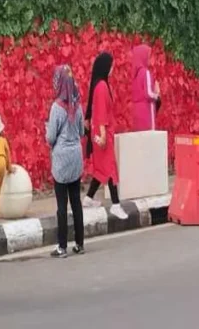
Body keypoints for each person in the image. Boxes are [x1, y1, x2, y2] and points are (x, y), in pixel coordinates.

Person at [46, 65, 86, 257]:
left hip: (61, 160)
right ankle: (80, 243)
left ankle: (62, 247)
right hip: (76, 157)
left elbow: (50, 136)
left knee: (62, 205)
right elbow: (82, 131)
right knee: (76, 201)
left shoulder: (56, 108)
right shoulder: (78, 105)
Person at [83, 52, 128, 220]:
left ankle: (88, 198)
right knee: (110, 168)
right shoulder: (101, 86)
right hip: (103, 134)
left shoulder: (100, 84)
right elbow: (101, 112)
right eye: (111, 65)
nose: (113, 69)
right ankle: (116, 205)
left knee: (103, 168)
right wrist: (102, 135)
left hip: (102, 133)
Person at [130, 44, 161, 132]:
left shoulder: (135, 75)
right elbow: (148, 94)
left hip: (137, 111)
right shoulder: (145, 72)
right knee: (149, 136)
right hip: (146, 110)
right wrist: (157, 94)